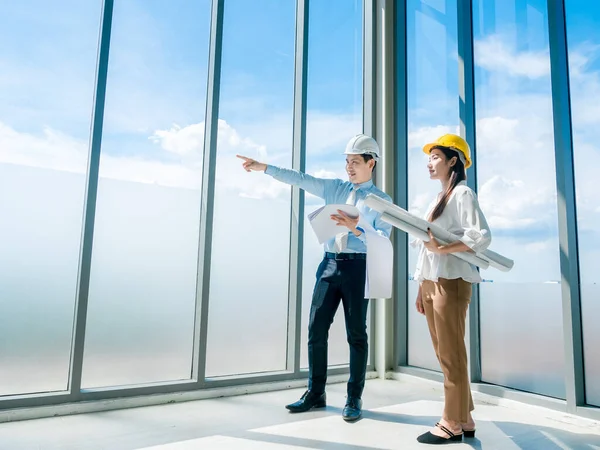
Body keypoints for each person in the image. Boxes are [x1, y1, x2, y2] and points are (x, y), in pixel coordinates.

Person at [237, 134, 392, 422]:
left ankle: (353, 398)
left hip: (359, 269)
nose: (349, 167)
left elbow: (384, 239)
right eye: (347, 162)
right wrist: (265, 168)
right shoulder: (334, 188)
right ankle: (315, 393)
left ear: (371, 163)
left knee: (356, 334)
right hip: (329, 266)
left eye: (355, 162)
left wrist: (356, 228)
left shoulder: (382, 201)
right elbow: (301, 178)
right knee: (315, 330)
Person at [413, 134, 491, 444]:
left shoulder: (462, 193)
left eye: (434, 157)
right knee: (445, 352)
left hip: (452, 282)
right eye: (429, 158)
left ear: (452, 160)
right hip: (433, 282)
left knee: (451, 354)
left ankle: (450, 422)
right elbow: (426, 248)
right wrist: (421, 286)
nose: (428, 163)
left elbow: (481, 236)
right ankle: (465, 418)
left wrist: (443, 250)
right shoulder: (439, 198)